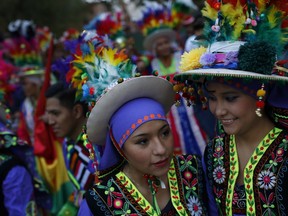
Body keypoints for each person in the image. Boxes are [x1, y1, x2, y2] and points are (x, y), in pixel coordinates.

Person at [175, 0, 288, 215]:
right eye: (212, 97)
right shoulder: (216, 150)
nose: (218, 111)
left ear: (260, 92)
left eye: (230, 98)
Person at [45, 82, 95, 214]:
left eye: (55, 113)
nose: (50, 121)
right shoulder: (67, 144)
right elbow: (79, 193)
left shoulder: (97, 144)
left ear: (77, 111)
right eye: (48, 114)